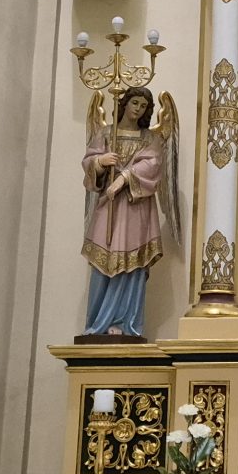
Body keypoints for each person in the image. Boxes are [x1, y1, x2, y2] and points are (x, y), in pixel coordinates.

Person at [82, 85, 170, 336]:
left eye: (143, 106)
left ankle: (124, 323)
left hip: (135, 208)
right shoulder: (106, 134)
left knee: (132, 265)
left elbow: (153, 164)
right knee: (102, 260)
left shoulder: (150, 138)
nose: (138, 109)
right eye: (134, 103)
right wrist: (100, 162)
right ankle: (98, 323)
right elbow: (89, 161)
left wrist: (123, 178)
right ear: (124, 103)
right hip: (108, 206)